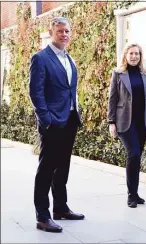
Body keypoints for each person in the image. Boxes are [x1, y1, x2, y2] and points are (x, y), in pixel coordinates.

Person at [29, 17, 84, 233]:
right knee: (47, 168)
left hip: (69, 120)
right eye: (60, 31)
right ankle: (43, 215)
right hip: (52, 122)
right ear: (51, 31)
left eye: (67, 31)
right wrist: (46, 119)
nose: (64, 34)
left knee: (63, 167)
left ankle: (60, 208)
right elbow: (36, 92)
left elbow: (70, 90)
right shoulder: (41, 58)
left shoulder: (69, 59)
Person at [108, 43, 146, 208]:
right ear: (126, 55)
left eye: (137, 54)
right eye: (131, 53)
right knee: (134, 154)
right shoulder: (118, 74)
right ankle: (131, 195)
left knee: (137, 158)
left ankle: (135, 193)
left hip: (142, 121)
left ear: (140, 56)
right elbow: (113, 99)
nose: (134, 56)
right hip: (125, 121)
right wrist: (111, 122)